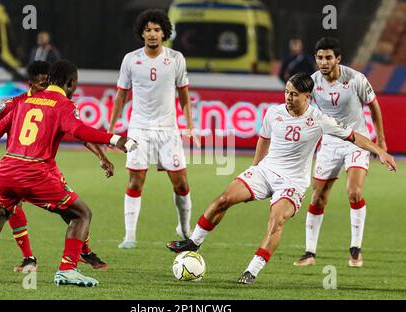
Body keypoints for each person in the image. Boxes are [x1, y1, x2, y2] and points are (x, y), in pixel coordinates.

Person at [166, 73, 396, 285]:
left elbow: (354, 137)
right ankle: (193, 242)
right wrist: (254, 168)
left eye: (294, 94)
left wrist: (381, 152)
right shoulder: (273, 113)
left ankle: (251, 271)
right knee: (224, 199)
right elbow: (263, 140)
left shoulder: (319, 120)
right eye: (287, 92)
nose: (288, 97)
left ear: (308, 97)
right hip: (266, 171)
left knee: (276, 220)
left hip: (292, 182)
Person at [0, 59, 137, 286]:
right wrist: (115, 139)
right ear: (70, 83)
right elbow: (79, 130)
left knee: (3, 210)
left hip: (6, 170)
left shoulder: (22, 101)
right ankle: (67, 268)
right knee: (81, 214)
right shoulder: (63, 104)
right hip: (35, 172)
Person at [293, 37, 388, 268]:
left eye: (328, 57)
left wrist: (381, 139)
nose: (323, 62)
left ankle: (355, 249)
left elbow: (374, 105)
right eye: (319, 58)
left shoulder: (356, 79)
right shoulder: (313, 82)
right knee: (318, 197)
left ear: (338, 59)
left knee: (354, 192)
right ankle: (309, 252)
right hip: (329, 144)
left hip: (356, 141)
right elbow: (303, 111)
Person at [109, 9, 197, 249]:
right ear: (141, 33)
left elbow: (184, 95)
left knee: (180, 182)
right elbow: (121, 95)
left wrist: (189, 125)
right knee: (136, 181)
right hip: (139, 129)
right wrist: (111, 128)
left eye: (157, 30)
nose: (152, 34)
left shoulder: (176, 58)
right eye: (148, 30)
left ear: (164, 33)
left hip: (168, 130)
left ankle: (185, 228)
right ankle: (129, 235)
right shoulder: (130, 59)